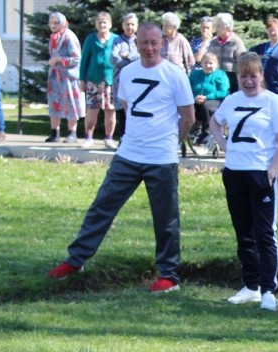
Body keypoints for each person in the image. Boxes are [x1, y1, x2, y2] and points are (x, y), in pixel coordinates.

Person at [47, 23, 196, 293]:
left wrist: (169, 143)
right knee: (102, 205)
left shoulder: (174, 74)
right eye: (144, 43)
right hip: (128, 154)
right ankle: (76, 259)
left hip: (161, 158)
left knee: (165, 217)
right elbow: (127, 108)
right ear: (135, 44)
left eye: (154, 42)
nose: (149, 48)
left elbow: (189, 118)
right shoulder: (127, 73)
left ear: (162, 43)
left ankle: (169, 275)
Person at [210, 52, 278, 312]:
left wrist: (271, 172)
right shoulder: (232, 100)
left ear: (261, 76)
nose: (248, 81)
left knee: (265, 233)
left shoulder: (274, 102)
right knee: (243, 232)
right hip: (235, 172)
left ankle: (269, 289)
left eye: (252, 75)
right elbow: (215, 121)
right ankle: (250, 285)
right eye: (243, 76)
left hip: (260, 173)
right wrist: (223, 145)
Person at [79, 11, 117, 149]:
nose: (102, 25)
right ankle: (88, 138)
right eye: (99, 22)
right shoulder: (90, 39)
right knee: (92, 109)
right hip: (93, 80)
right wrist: (82, 79)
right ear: (96, 24)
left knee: (110, 110)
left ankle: (109, 139)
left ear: (110, 24)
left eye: (105, 22)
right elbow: (84, 61)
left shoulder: (116, 39)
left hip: (111, 80)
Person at [46, 12, 85, 143]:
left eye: (56, 22)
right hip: (55, 76)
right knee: (54, 103)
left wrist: (58, 59)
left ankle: (71, 133)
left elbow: (76, 59)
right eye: (51, 22)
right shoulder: (53, 37)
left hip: (69, 77)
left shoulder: (69, 36)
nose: (53, 25)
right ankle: (54, 133)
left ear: (63, 23)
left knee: (71, 104)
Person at [189, 52, 229, 145]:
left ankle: (207, 132)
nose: (208, 65)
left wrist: (207, 97)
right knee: (188, 107)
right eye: (205, 63)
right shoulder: (195, 74)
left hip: (215, 100)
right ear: (201, 63)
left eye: (211, 63)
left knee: (206, 106)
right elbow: (187, 89)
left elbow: (223, 91)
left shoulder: (220, 74)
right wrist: (195, 97)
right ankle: (193, 129)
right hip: (196, 99)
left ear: (216, 64)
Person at [111, 13, 139, 138]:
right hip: (120, 80)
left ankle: (134, 138)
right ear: (123, 26)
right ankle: (122, 138)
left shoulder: (139, 41)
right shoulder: (117, 41)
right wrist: (129, 61)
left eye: (132, 24)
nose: (130, 27)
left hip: (136, 82)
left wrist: (127, 55)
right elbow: (114, 59)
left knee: (134, 110)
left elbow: (140, 58)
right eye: (127, 24)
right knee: (121, 111)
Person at [206, 13, 246, 93]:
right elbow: (208, 59)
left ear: (227, 27)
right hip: (216, 78)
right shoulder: (213, 42)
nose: (216, 28)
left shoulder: (236, 42)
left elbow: (243, 62)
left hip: (232, 79)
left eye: (219, 26)